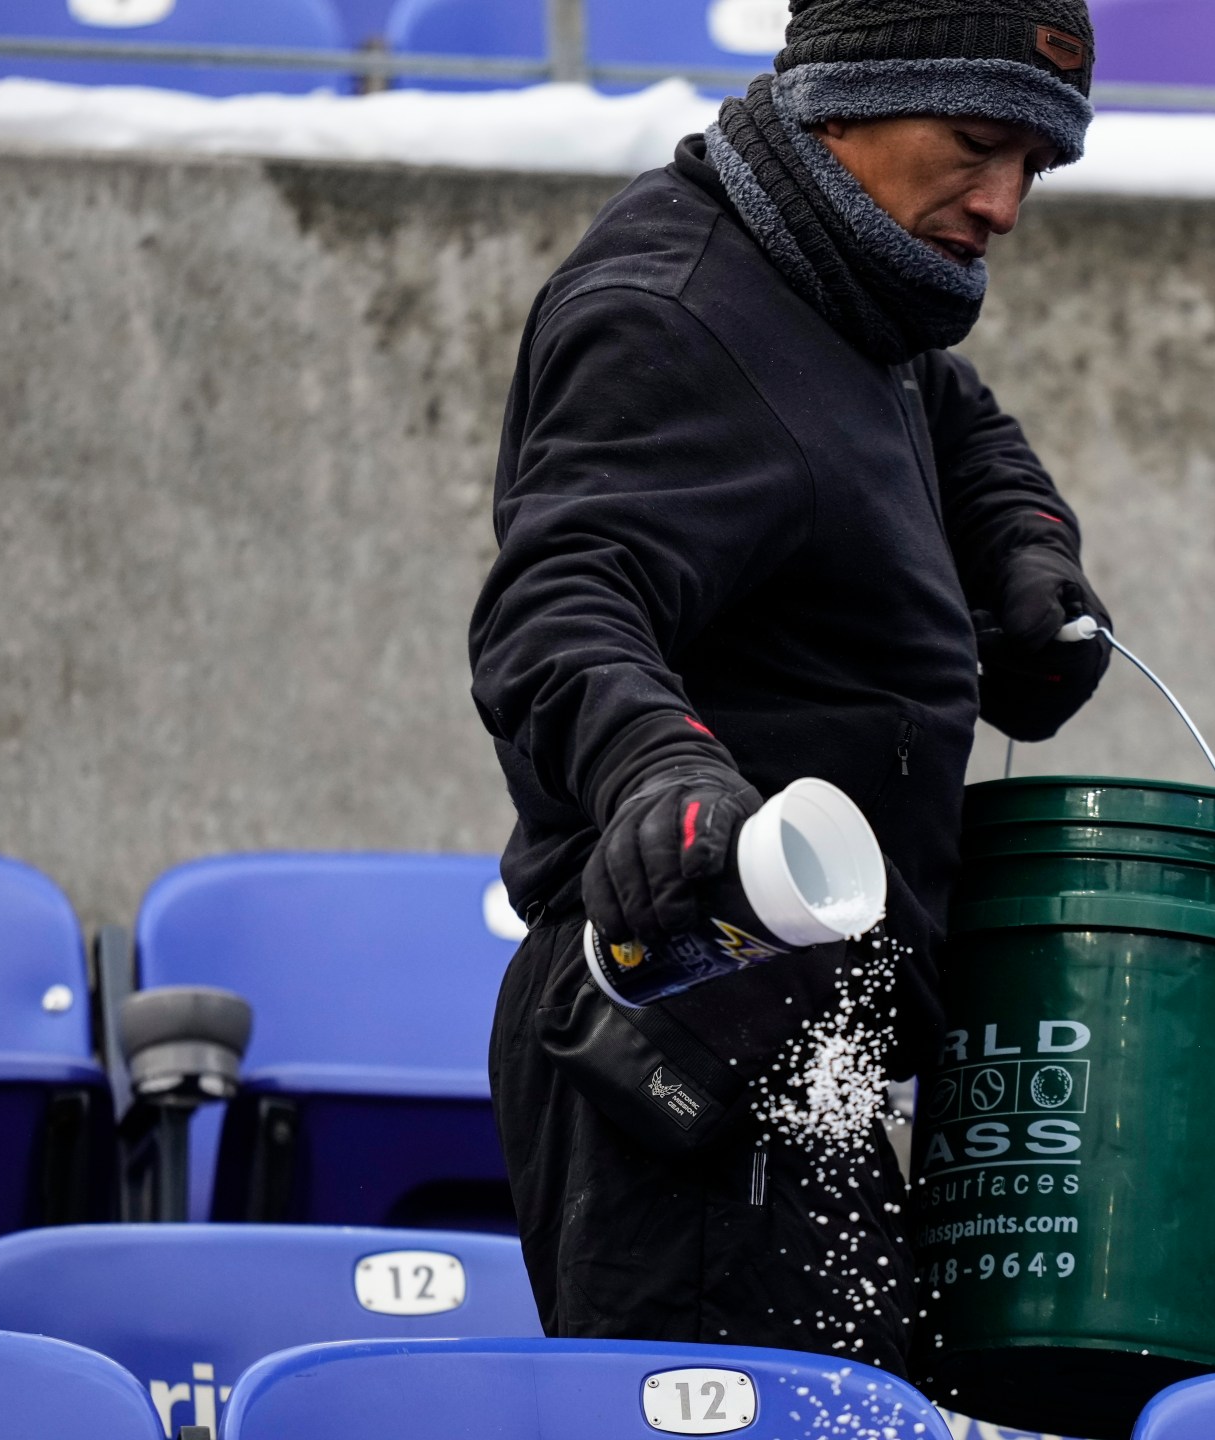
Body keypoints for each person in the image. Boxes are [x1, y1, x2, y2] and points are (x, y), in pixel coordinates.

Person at [470, 0, 1109, 1377]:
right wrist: (659, 766)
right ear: (844, 102)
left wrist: (1024, 548)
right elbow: (559, 599)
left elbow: (948, 411)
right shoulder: (675, 312)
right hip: (692, 1043)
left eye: (1035, 171)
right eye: (977, 144)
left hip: (823, 1053)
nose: (1001, 205)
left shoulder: (838, 292)